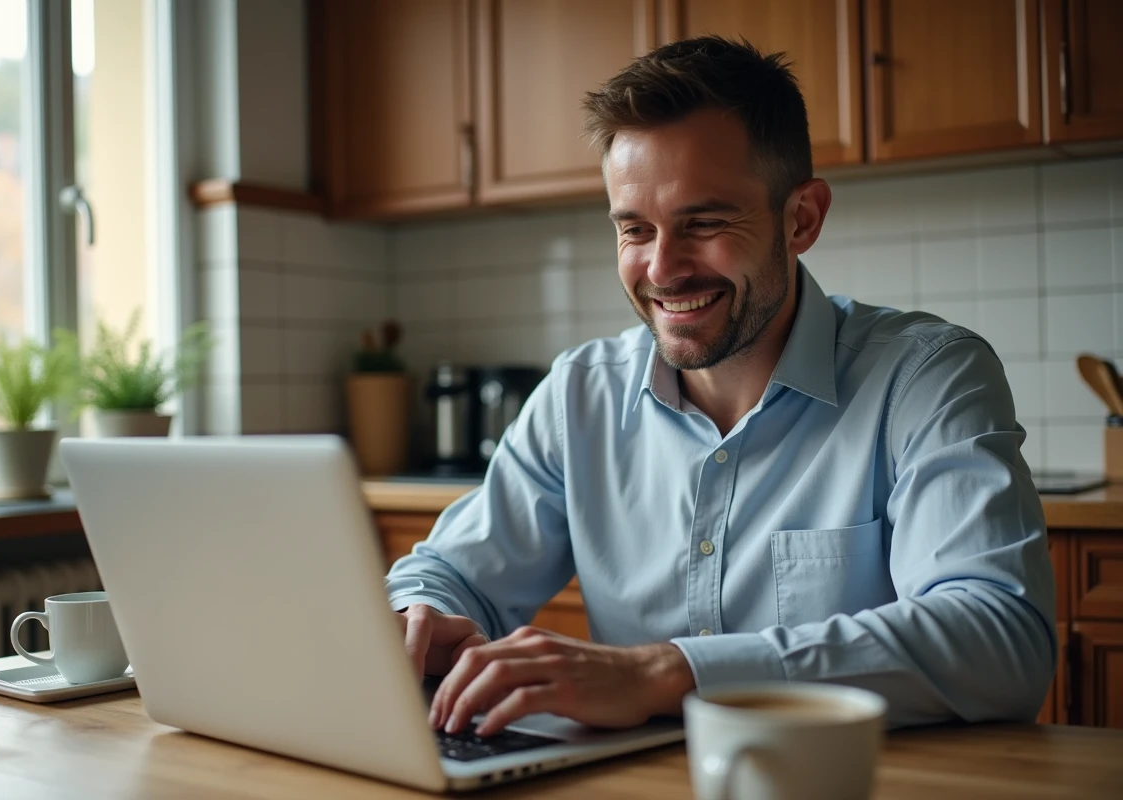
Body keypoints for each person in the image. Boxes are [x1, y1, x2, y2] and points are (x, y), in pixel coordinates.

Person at [385, 36, 1055, 738]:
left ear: (802, 219)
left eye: (703, 223)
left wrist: (664, 672)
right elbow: (451, 572)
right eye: (635, 229)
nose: (662, 269)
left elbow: (1001, 638)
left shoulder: (927, 377)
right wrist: (419, 616)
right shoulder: (579, 395)